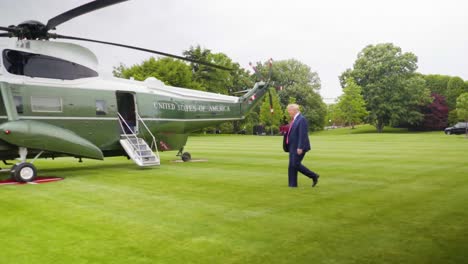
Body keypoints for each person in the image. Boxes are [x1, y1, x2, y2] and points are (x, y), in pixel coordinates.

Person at [283, 103, 319, 187]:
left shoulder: (301, 119)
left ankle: (313, 176)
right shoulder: (294, 120)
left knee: (295, 164)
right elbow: (291, 131)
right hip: (292, 146)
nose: (288, 112)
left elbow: (303, 134)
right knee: (291, 165)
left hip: (298, 147)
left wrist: (300, 147)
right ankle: (292, 185)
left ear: (294, 110)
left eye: (289, 110)